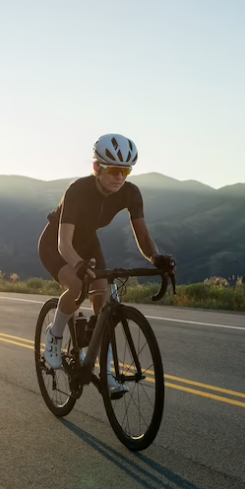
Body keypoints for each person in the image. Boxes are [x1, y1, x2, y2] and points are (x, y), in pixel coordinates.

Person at [37, 133, 175, 389]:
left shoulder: (130, 194)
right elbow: (63, 243)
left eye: (126, 171)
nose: (120, 177)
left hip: (88, 243)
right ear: (96, 167)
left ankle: (106, 370)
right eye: (113, 170)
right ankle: (55, 335)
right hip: (56, 244)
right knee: (77, 286)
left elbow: (143, 237)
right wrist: (79, 266)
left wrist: (156, 258)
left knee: (103, 303)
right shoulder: (78, 190)